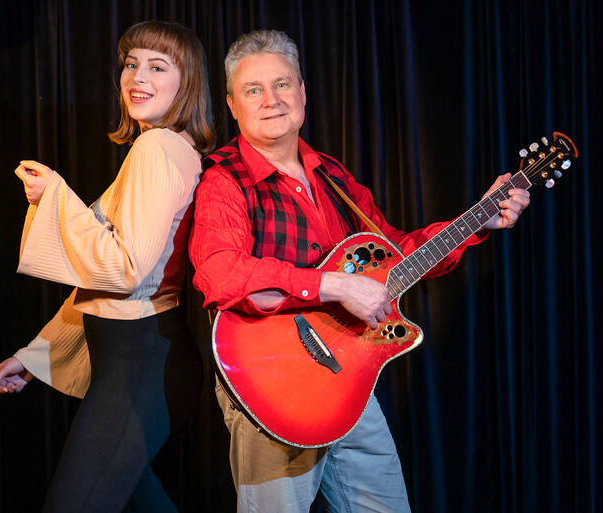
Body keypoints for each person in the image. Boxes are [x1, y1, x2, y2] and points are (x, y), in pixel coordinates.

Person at [188, 30, 530, 513]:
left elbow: (395, 255)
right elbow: (222, 275)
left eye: (282, 84)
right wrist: (335, 284)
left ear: (303, 91)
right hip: (270, 387)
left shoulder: (334, 175)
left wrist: (477, 219)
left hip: (348, 382)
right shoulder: (224, 179)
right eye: (253, 90)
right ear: (232, 104)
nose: (271, 101)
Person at [0, 20, 214, 513]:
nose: (137, 76)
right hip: (142, 362)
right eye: (131, 64)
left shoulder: (156, 149)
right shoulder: (168, 148)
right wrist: (34, 356)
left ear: (187, 82)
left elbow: (122, 271)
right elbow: (100, 284)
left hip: (139, 366)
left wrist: (57, 197)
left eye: (158, 66)